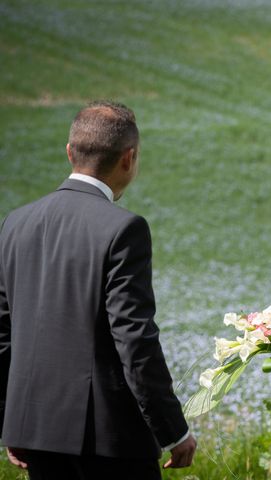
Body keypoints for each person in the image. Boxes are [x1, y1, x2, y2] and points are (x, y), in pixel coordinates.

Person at [0, 101, 197, 479]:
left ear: (70, 152)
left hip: (37, 434)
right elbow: (134, 339)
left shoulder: (15, 223)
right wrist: (174, 430)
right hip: (110, 440)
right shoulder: (123, 229)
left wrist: (14, 423)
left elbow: (3, 334)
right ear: (129, 158)